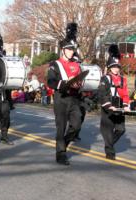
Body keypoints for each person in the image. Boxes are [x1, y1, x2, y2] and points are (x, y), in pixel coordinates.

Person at [47, 22, 82, 165]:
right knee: (60, 127)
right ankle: (60, 154)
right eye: (68, 49)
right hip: (61, 98)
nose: (71, 52)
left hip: (73, 98)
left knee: (77, 125)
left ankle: (64, 144)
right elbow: (51, 82)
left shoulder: (76, 65)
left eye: (72, 49)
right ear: (62, 50)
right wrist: (65, 83)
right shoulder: (55, 64)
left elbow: (80, 80)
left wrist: (78, 83)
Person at [98, 44, 130, 160]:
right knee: (108, 130)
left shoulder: (123, 79)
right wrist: (109, 106)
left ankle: (109, 143)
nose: (116, 68)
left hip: (119, 108)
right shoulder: (105, 78)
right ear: (110, 67)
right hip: (109, 108)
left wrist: (126, 106)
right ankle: (110, 152)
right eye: (114, 66)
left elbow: (125, 94)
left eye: (117, 66)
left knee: (121, 129)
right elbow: (102, 93)